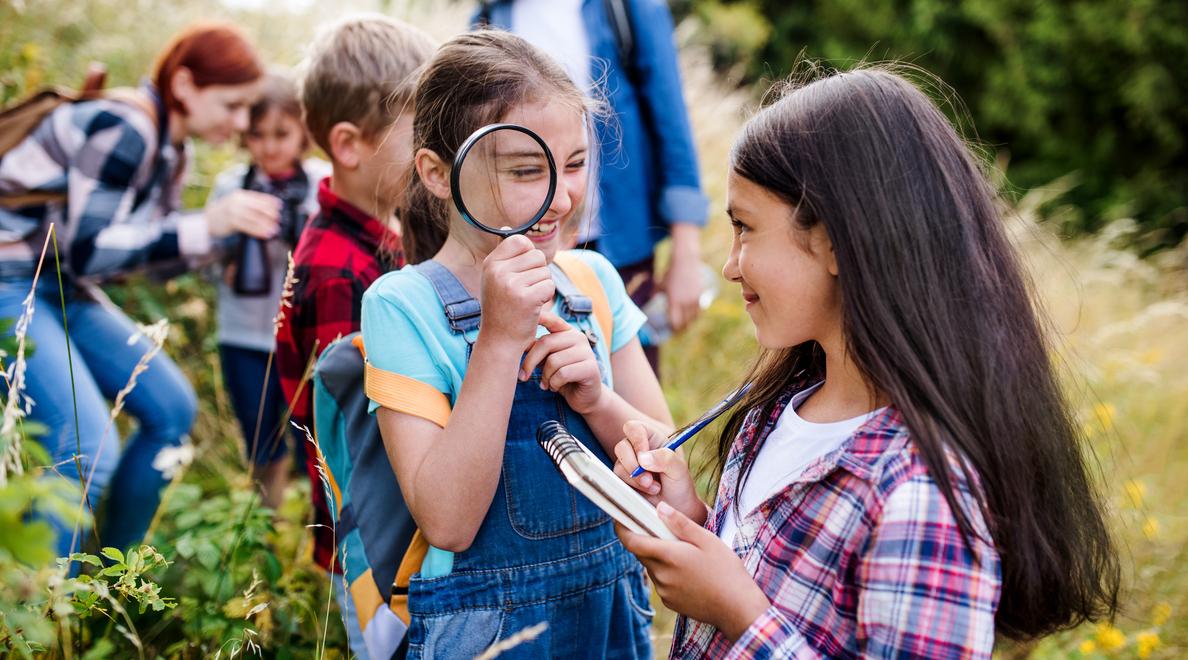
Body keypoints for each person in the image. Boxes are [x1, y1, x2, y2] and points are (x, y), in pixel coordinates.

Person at [613, 68, 1121, 657]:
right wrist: (691, 523)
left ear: (832, 240)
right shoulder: (779, 409)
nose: (730, 265)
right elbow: (779, 577)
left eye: (745, 229)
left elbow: (752, 606)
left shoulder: (923, 495)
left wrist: (739, 614)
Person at [361, 31, 672, 659]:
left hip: (610, 613)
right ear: (436, 174)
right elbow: (448, 521)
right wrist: (498, 341)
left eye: (578, 163)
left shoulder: (594, 281)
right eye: (528, 171)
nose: (563, 198)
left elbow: (666, 472)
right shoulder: (401, 306)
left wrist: (597, 401)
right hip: (486, 634)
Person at [0, 23, 275, 556]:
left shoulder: (173, 154)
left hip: (59, 284)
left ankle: (113, 577)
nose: (240, 123)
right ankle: (46, 616)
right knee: (83, 447)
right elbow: (90, 251)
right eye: (232, 105)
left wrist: (223, 242)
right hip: (10, 278)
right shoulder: (127, 127)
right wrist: (205, 225)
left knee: (171, 408)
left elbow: (137, 259)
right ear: (186, 84)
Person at [272, 13, 435, 656]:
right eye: (418, 134)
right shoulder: (341, 272)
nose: (435, 154)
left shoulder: (374, 238)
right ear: (349, 145)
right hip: (377, 550)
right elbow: (367, 438)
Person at [477, 0, 710, 372]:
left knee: (629, 382)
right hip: (530, 239)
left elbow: (671, 120)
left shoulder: (625, 8)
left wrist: (686, 250)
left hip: (621, 246)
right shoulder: (491, 14)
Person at [205, 71, 329, 510]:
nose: (271, 146)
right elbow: (203, 260)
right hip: (243, 334)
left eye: (282, 133)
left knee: (315, 447)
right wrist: (230, 261)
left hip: (304, 337)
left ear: (303, 132)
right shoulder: (232, 186)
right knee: (260, 441)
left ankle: (319, 535)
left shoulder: (320, 183)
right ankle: (265, 530)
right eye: (257, 135)